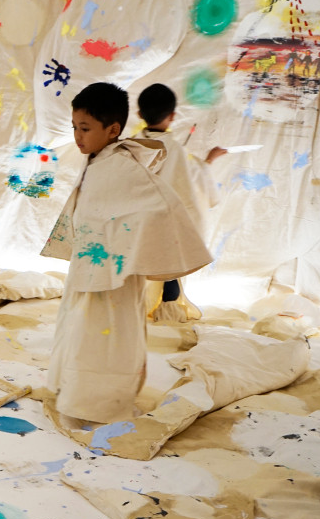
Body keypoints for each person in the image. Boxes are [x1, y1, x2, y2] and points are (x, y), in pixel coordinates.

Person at [41, 83, 211, 424]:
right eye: (75, 127)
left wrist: (134, 249)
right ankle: (73, 391)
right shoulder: (100, 160)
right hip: (88, 268)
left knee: (107, 338)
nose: (78, 136)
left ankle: (101, 403)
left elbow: (159, 205)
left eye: (85, 128)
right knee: (80, 329)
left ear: (113, 130)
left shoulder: (124, 165)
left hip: (114, 278)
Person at [137, 83, 224, 322]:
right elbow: (193, 180)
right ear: (173, 116)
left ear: (140, 114)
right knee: (169, 271)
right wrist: (209, 161)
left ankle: (129, 309)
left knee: (135, 268)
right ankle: (168, 313)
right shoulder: (175, 150)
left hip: (136, 223)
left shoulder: (131, 146)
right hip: (166, 225)